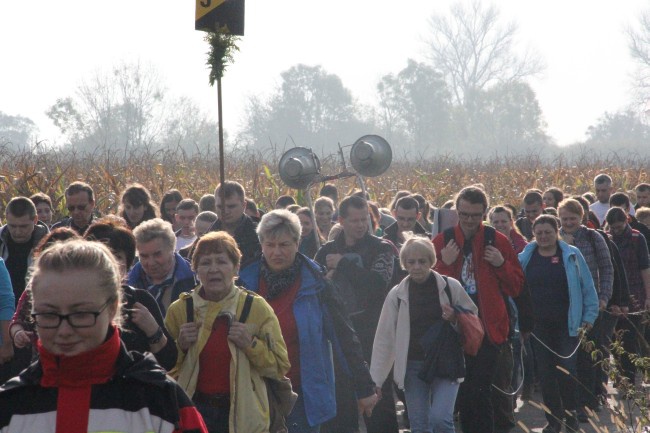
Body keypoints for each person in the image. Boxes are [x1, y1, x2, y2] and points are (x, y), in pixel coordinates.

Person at [0, 239, 208, 433]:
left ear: (112, 308)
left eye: (81, 314)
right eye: (49, 314)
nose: (64, 331)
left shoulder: (160, 402)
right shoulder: (11, 405)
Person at [239, 210, 378, 433]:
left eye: (284, 245)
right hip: (254, 389)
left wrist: (364, 387)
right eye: (270, 245)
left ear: (297, 243)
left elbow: (344, 337)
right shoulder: (245, 283)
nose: (276, 252)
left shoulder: (317, 284)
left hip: (303, 393)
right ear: (261, 244)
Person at [165, 231, 290, 433]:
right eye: (205, 263)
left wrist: (250, 344)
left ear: (236, 267)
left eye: (222, 261)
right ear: (195, 269)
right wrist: (180, 346)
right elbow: (164, 370)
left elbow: (279, 367)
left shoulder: (255, 308)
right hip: (194, 411)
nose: (213, 269)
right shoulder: (180, 310)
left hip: (243, 414)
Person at [432, 186, 524, 433]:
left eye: (475, 215)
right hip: (453, 331)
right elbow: (431, 288)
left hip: (488, 332)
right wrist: (445, 264)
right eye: (464, 214)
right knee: (459, 396)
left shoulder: (497, 241)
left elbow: (516, 287)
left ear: (484, 212)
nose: (470, 221)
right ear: (457, 211)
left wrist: (501, 264)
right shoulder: (443, 241)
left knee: (480, 394)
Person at [371, 235, 477, 433]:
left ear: (431, 261)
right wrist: (376, 380)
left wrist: (455, 318)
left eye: (422, 261)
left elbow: (472, 317)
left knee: (441, 419)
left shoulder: (450, 286)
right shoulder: (397, 294)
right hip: (413, 366)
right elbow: (384, 338)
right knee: (419, 425)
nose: (417, 266)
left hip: (446, 362)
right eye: (411, 262)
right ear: (404, 264)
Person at [314, 195, 397, 433]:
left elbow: (378, 283)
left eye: (364, 220)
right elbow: (314, 287)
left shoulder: (382, 248)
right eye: (355, 220)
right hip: (338, 336)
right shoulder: (326, 250)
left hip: (374, 334)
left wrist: (343, 264)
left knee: (379, 401)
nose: (361, 225)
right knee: (342, 403)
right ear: (341, 220)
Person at [518, 215, 599, 433]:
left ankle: (571, 416)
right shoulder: (525, 257)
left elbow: (587, 289)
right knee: (545, 375)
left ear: (557, 232)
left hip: (568, 325)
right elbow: (515, 292)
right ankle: (553, 420)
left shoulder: (572, 255)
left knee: (567, 372)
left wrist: (589, 318)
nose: (543, 236)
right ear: (533, 234)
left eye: (548, 232)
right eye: (539, 233)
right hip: (538, 327)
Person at [557, 198, 615, 419]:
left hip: (591, 308)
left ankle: (588, 402)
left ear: (581, 217)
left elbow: (607, 269)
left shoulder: (593, 237)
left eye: (573, 218)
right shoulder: (555, 239)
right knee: (567, 358)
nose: (569, 222)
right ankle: (570, 403)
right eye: (565, 219)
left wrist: (604, 298)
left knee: (589, 357)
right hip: (564, 307)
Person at [605, 207, 650, 392]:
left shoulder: (637, 239)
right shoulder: (606, 239)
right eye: (613, 227)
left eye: (619, 226)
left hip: (635, 295)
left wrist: (648, 296)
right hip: (615, 295)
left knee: (630, 340)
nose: (616, 230)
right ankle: (622, 375)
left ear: (627, 221)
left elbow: (644, 268)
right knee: (615, 340)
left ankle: (630, 381)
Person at [128, 218, 196, 316]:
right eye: (144, 256)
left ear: (172, 249)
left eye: (157, 254)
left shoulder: (194, 280)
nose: (151, 263)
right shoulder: (127, 284)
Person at [0, 197, 49, 302]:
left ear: (35, 220)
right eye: (12, 226)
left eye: (23, 227)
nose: (17, 232)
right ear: (6, 219)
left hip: (36, 307)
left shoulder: (49, 245)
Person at [209, 181, 261, 268]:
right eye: (220, 207)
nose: (225, 211)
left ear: (244, 205)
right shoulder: (207, 237)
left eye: (231, 206)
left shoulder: (259, 236)